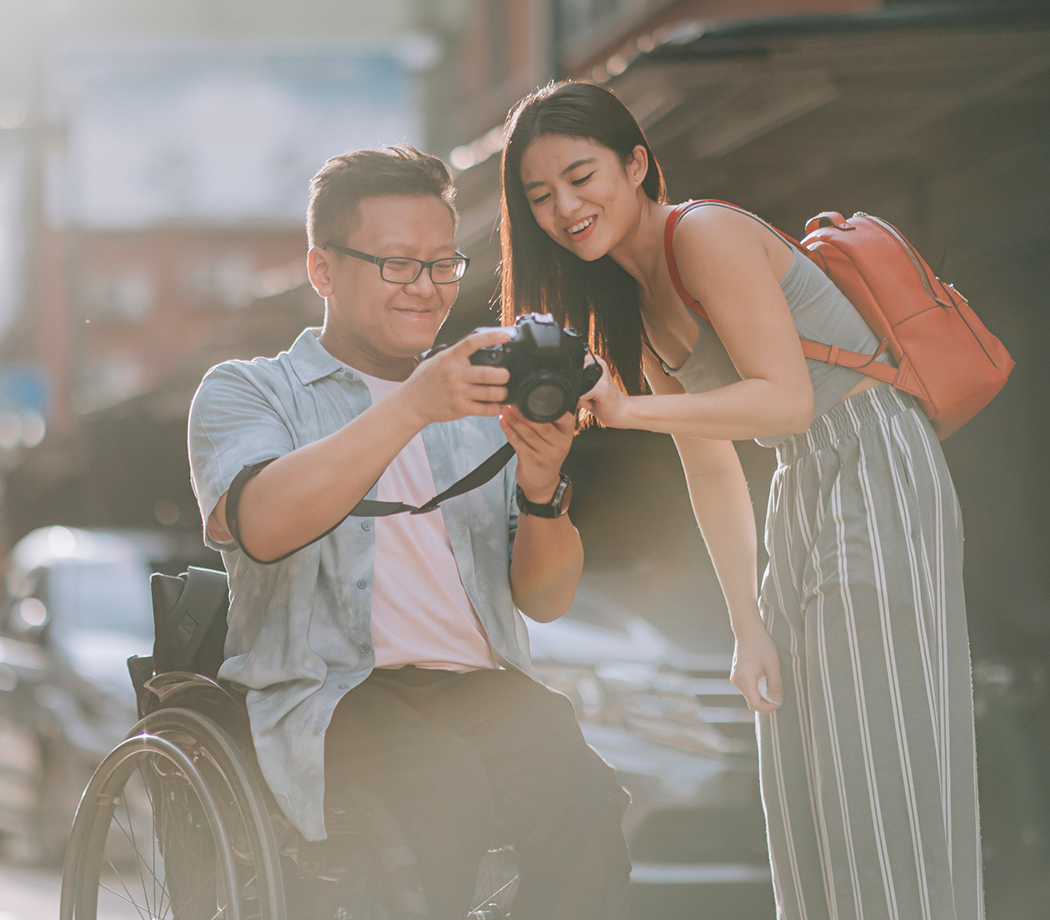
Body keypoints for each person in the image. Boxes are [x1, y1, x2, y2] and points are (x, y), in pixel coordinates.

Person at [498, 81, 984, 920]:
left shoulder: (705, 234)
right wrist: (747, 627)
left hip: (870, 455)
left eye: (580, 178)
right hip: (803, 481)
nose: (565, 208)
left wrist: (626, 411)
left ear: (636, 164)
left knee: (875, 765)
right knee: (800, 775)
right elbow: (712, 467)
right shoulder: (634, 301)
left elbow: (786, 400)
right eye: (540, 196)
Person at [188, 144, 631, 920]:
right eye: (397, 265)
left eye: (442, 265)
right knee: (442, 787)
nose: (426, 289)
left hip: (478, 690)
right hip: (332, 695)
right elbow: (261, 523)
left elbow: (545, 599)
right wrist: (414, 404)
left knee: (586, 799)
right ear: (323, 270)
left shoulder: (481, 406)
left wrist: (540, 487)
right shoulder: (250, 391)